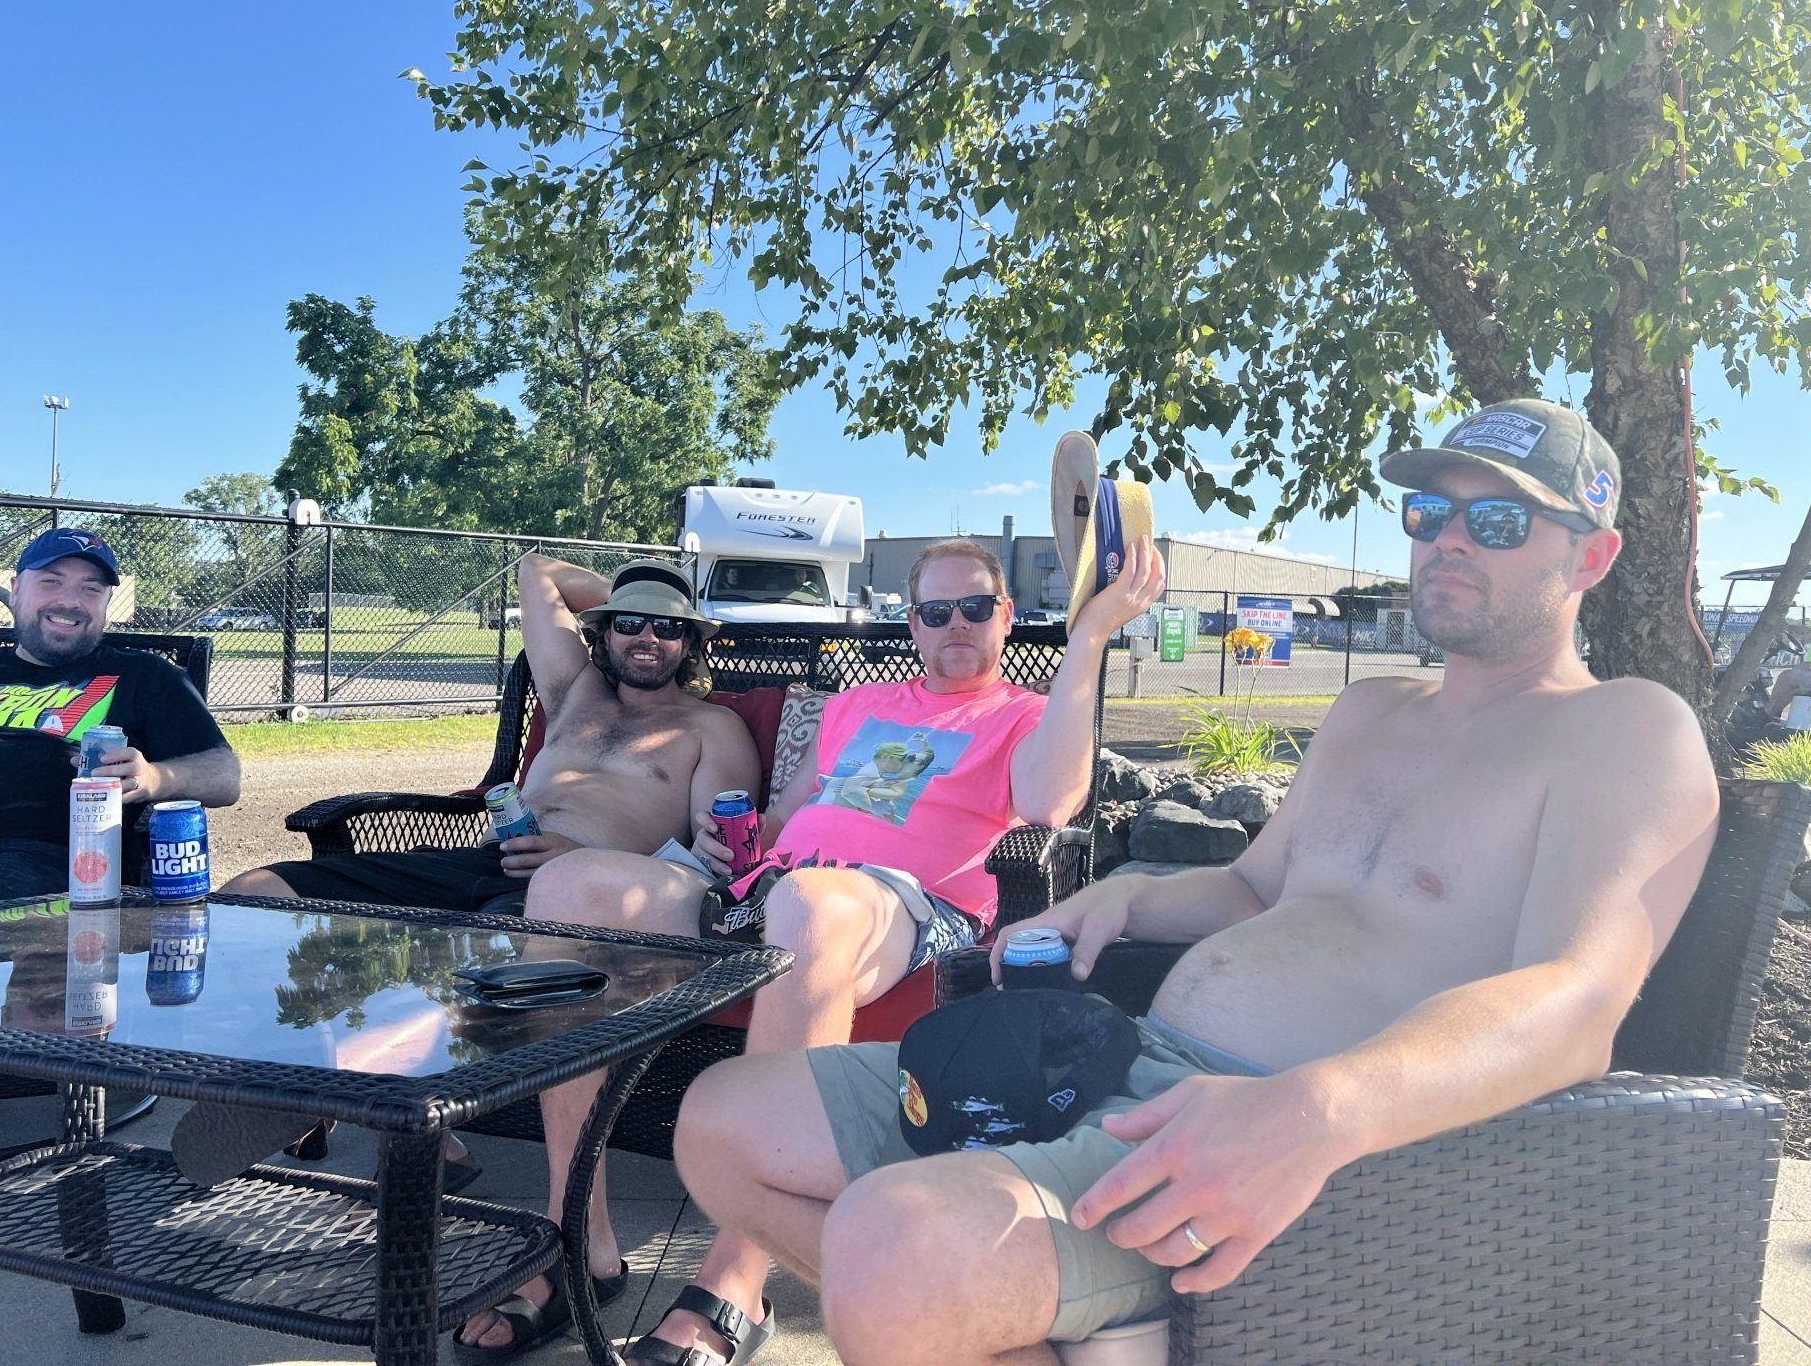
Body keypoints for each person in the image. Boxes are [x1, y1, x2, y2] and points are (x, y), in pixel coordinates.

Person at [672, 400, 1719, 1366]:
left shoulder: (1624, 728)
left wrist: (1320, 1109)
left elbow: (1578, 1003)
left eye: (1497, 522)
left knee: (890, 1248)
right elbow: (1253, 889)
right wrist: (1122, 897)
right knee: (720, 1125)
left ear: (1592, 555)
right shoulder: (1372, 711)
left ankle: (978, 1301)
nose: (1448, 539)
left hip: (1292, 1140)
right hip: (1129, 1062)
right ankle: (1033, 1321)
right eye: (1430, 512)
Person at [453, 534, 1164, 1363]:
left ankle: (735, 1278)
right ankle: (577, 1235)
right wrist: (733, 845)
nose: (956, 624)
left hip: (904, 905)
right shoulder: (858, 706)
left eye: (975, 607)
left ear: (1005, 615)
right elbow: (788, 817)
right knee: (567, 888)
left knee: (813, 904)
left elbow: (1049, 803)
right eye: (937, 611)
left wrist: (1090, 636)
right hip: (773, 887)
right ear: (912, 622)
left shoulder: (1023, 715)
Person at [0, 528, 240, 1089]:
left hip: (33, 858)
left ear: (105, 603)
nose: (70, 601)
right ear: (16, 590)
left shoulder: (144, 676)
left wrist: (155, 776)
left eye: (90, 589)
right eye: (51, 582)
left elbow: (225, 775)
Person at [222, 555, 762, 911]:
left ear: (691, 645)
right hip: (476, 863)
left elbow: (712, 867)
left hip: (578, 894)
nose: (647, 636)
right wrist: (632, 595)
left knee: (488, 968)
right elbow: (537, 571)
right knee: (255, 891)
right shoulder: (575, 692)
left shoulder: (713, 727)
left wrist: (583, 860)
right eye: (628, 623)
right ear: (602, 632)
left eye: (668, 626)